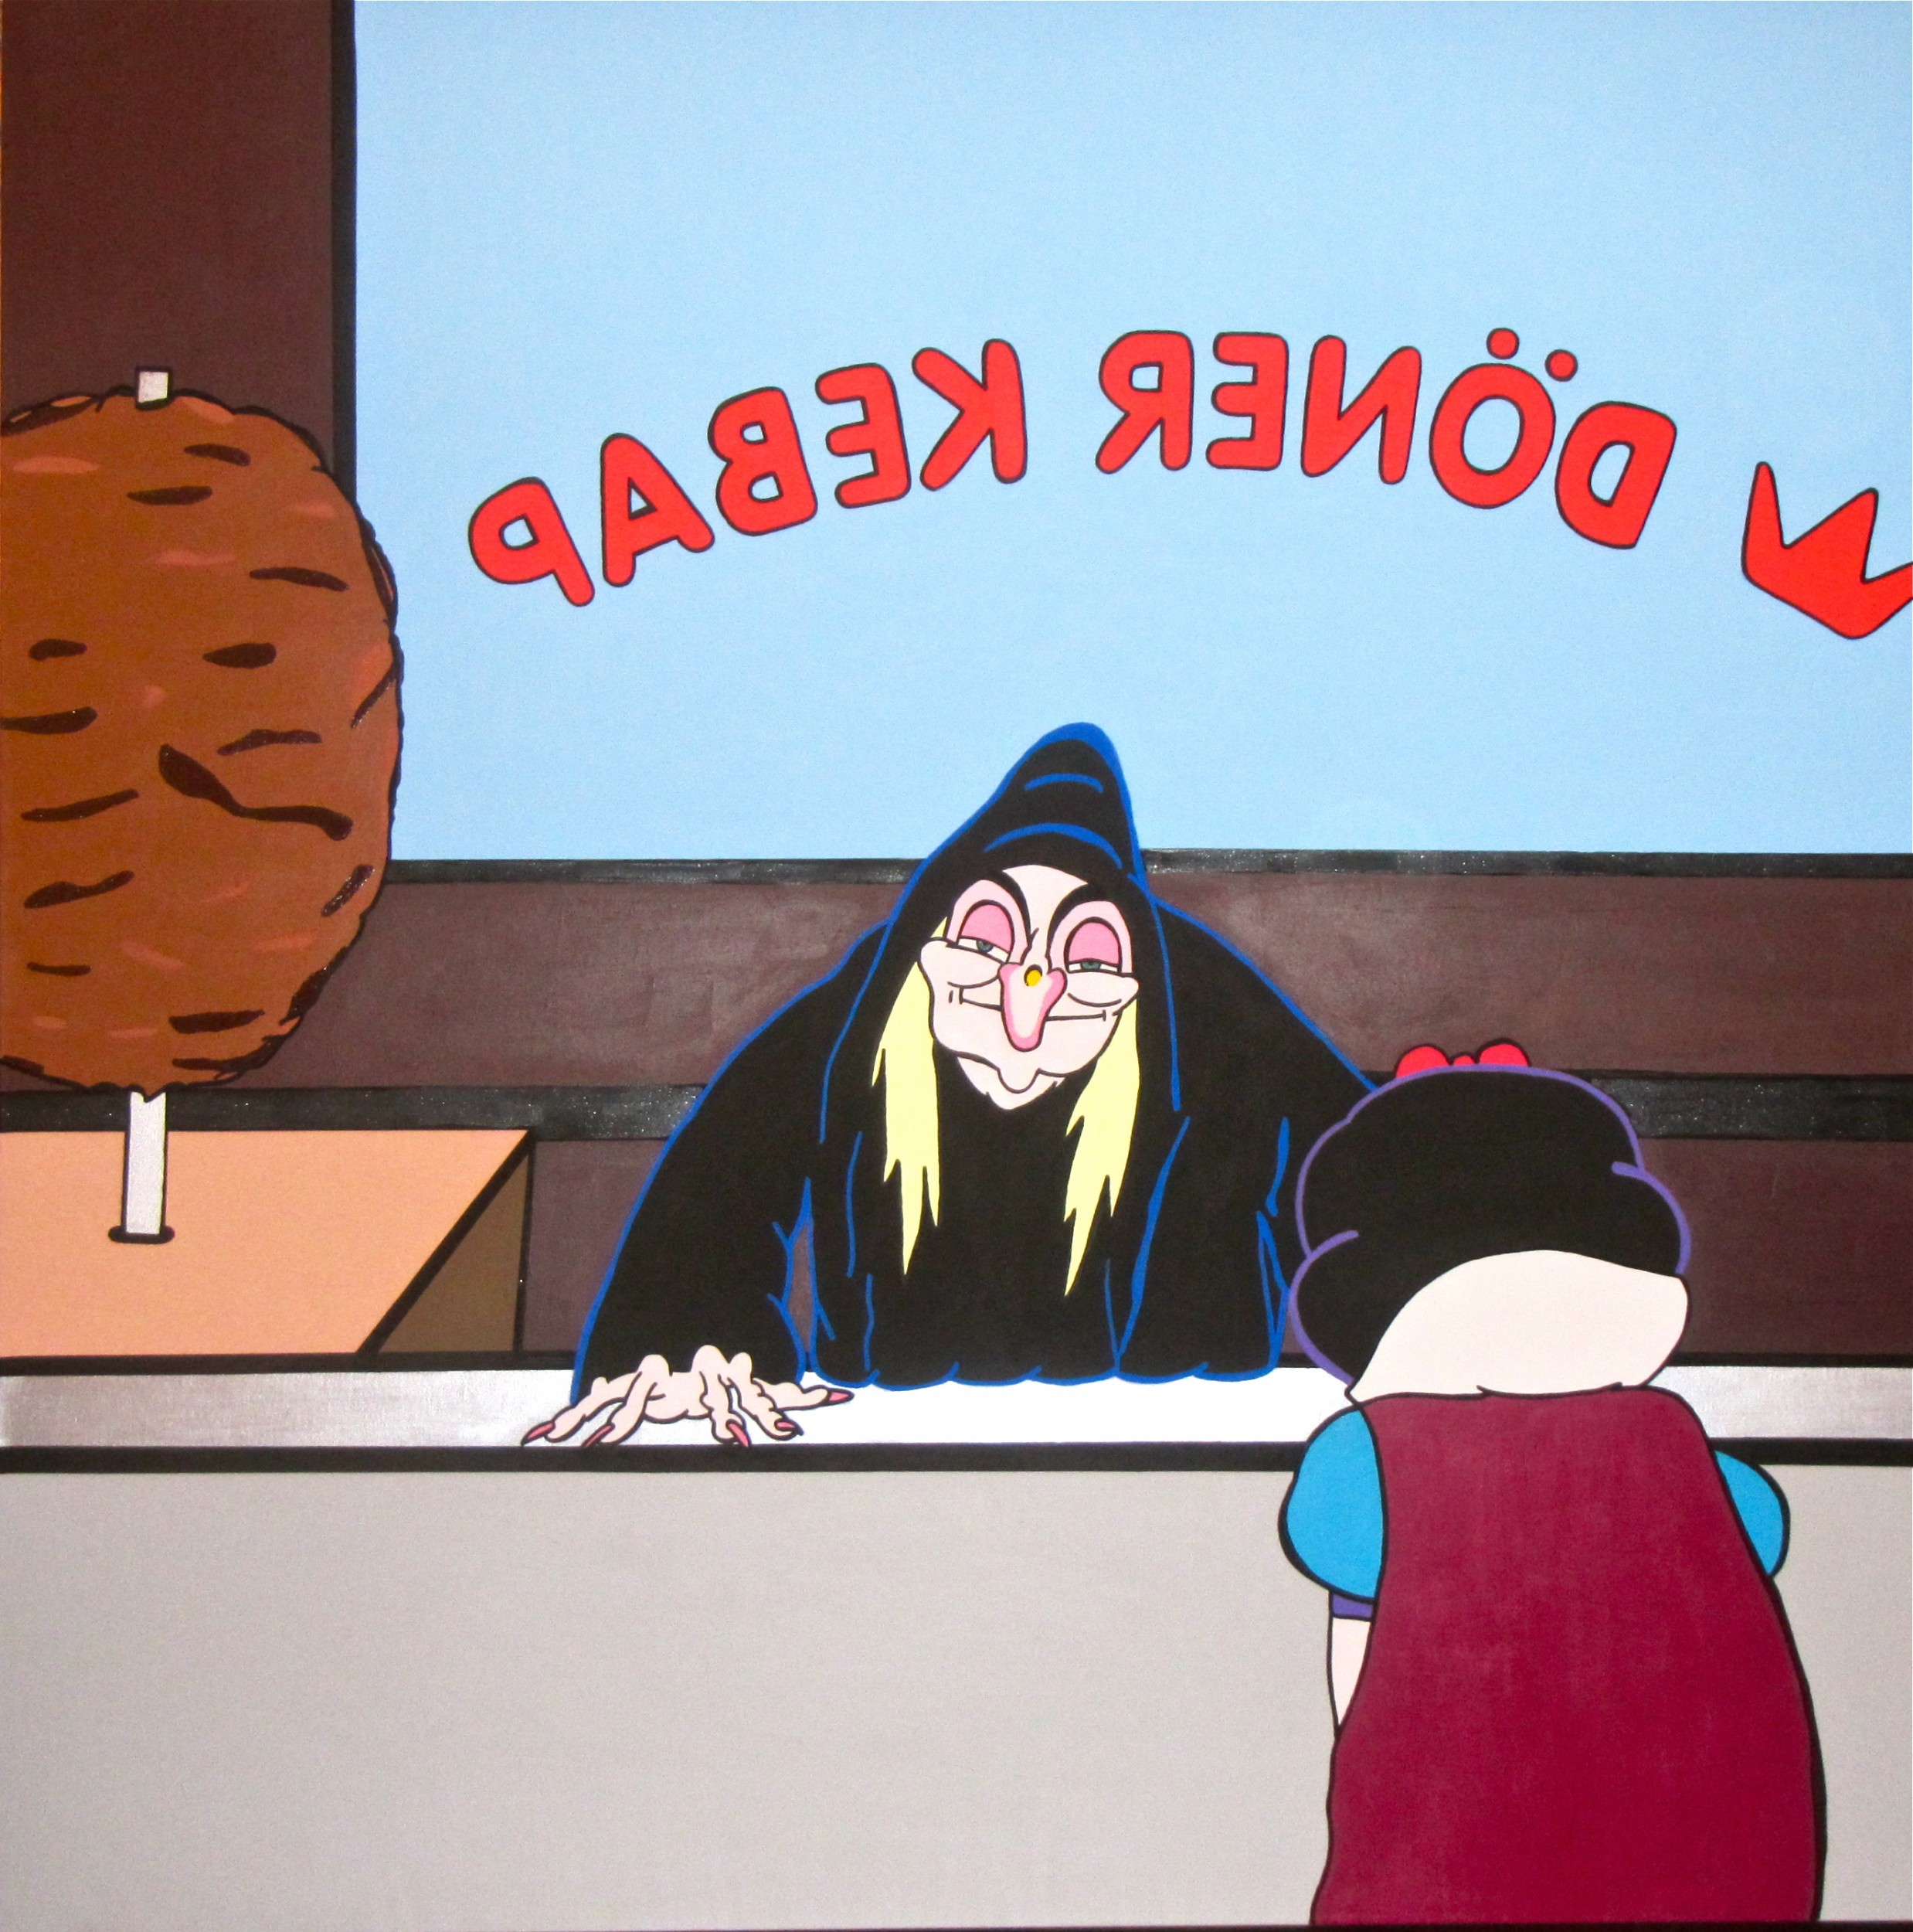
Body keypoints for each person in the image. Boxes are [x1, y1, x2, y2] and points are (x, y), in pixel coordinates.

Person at [528, 723, 1367, 1447]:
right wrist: (689, 1342)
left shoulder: (1208, 1014)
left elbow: (1361, 1183)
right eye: (989, 938)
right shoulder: (860, 1015)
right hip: (894, 1461)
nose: (1028, 993)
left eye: (1084, 955)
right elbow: (716, 1191)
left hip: (1180, 1459)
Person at [1280, 1063, 1823, 1924]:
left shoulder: (1362, 1465)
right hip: (1712, 1868)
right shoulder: (1709, 1472)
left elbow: (1357, 1667)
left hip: (1448, 1864)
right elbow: (1758, 1548)